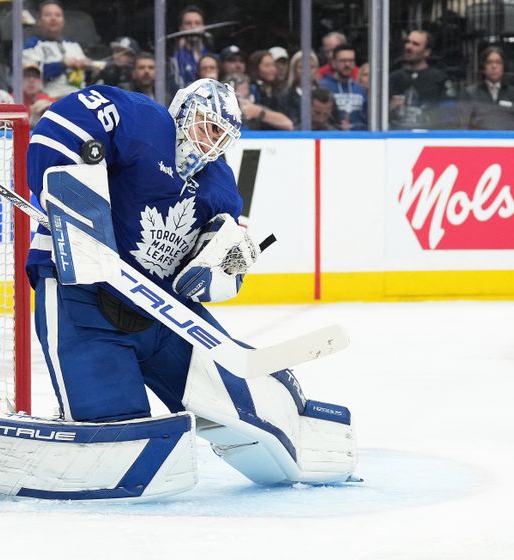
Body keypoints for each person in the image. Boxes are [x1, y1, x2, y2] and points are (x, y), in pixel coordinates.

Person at [22, 77, 356, 495]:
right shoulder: (141, 120)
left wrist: (222, 265)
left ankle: (296, 420)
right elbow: (63, 125)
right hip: (83, 298)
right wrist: (64, 192)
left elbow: (218, 259)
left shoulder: (219, 185)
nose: (211, 142)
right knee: (119, 427)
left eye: (222, 135)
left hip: (161, 312)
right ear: (183, 109)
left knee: (247, 402)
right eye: (207, 125)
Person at [23, 0, 93, 98]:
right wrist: (63, 65)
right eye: (48, 15)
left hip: (79, 98)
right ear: (39, 21)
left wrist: (88, 65)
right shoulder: (32, 45)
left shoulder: (73, 45)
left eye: (58, 15)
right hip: (48, 101)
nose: (53, 18)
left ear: (63, 20)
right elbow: (31, 77)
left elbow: (86, 76)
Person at [388, 30, 455, 130]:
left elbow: (450, 114)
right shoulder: (393, 78)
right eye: (407, 42)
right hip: (396, 137)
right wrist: (389, 108)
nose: (408, 47)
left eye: (415, 44)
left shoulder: (439, 79)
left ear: (427, 52)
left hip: (429, 138)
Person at [459, 46, 514, 130]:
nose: (494, 66)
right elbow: (463, 126)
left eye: (498, 62)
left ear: (503, 67)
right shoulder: (470, 93)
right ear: (483, 67)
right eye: (489, 62)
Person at [224, 72, 294, 131]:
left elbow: (288, 125)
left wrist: (258, 113)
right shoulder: (218, 109)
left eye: (241, 97)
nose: (238, 102)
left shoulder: (255, 109)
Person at [320, 44, 367, 130]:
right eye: (343, 61)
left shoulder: (360, 89)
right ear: (334, 63)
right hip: (331, 138)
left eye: (351, 61)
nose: (347, 64)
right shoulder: (323, 87)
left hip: (359, 139)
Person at [246, 49, 293, 130]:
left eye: (273, 65)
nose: (273, 69)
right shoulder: (251, 90)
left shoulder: (281, 91)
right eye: (267, 65)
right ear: (256, 68)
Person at [169, 4, 208, 90]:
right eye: (188, 23)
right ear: (181, 28)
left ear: (204, 27)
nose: (193, 27)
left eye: (197, 23)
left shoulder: (210, 55)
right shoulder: (174, 58)